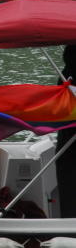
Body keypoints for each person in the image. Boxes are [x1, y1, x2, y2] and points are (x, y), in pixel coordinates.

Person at [55, 44, 76, 218]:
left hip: (67, 141)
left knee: (69, 192)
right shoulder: (65, 77)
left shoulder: (65, 76)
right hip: (68, 140)